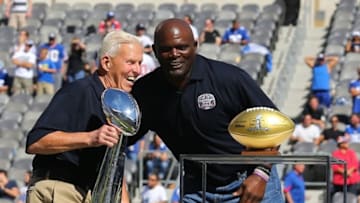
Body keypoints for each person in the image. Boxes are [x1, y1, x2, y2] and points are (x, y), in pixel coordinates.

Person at [130, 18, 283, 203]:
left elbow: (275, 125)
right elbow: (121, 136)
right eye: (166, 49)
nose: (174, 54)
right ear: (155, 51)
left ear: (195, 46)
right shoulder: (146, 92)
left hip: (249, 182)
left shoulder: (228, 79)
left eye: (182, 47)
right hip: (197, 187)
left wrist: (261, 175)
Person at [25, 30, 143, 203]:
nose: (138, 70)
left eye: (139, 63)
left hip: (92, 195)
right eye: (131, 62)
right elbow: (36, 142)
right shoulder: (79, 91)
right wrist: (90, 137)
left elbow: (115, 168)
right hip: (60, 189)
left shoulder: (120, 106)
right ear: (106, 62)